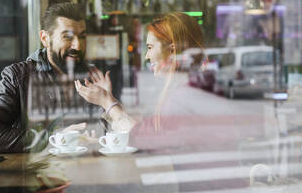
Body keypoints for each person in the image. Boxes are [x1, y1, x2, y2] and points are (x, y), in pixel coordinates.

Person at [75, 12, 223, 151]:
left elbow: (147, 139)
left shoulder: (185, 96)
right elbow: (150, 131)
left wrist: (108, 103)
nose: (147, 56)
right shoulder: (190, 88)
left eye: (150, 47)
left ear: (172, 51)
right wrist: (109, 101)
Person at [0, 2, 92, 153]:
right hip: (34, 172)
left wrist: (109, 104)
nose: (78, 46)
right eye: (67, 37)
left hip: (87, 169)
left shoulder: (93, 76)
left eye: (82, 37)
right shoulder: (18, 77)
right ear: (45, 38)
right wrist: (51, 138)